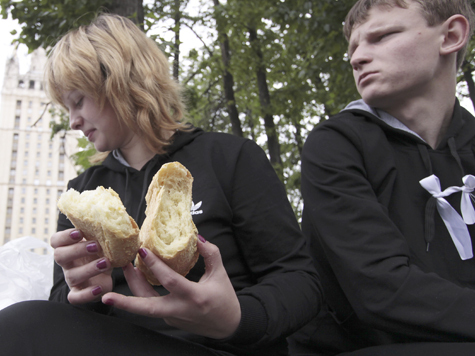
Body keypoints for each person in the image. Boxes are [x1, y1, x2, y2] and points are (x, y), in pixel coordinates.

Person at [0, 14, 322, 356]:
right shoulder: (85, 191)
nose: (72, 121)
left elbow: (301, 280)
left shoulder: (229, 157)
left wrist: (237, 318)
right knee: (23, 322)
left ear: (120, 80)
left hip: (225, 348)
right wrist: (82, 292)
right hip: (115, 343)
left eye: (78, 100)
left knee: (21, 323)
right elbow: (60, 308)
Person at [289, 0, 475, 355]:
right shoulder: (336, 145)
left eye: (381, 37)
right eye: (354, 47)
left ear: (451, 35)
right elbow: (382, 292)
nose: (357, 57)